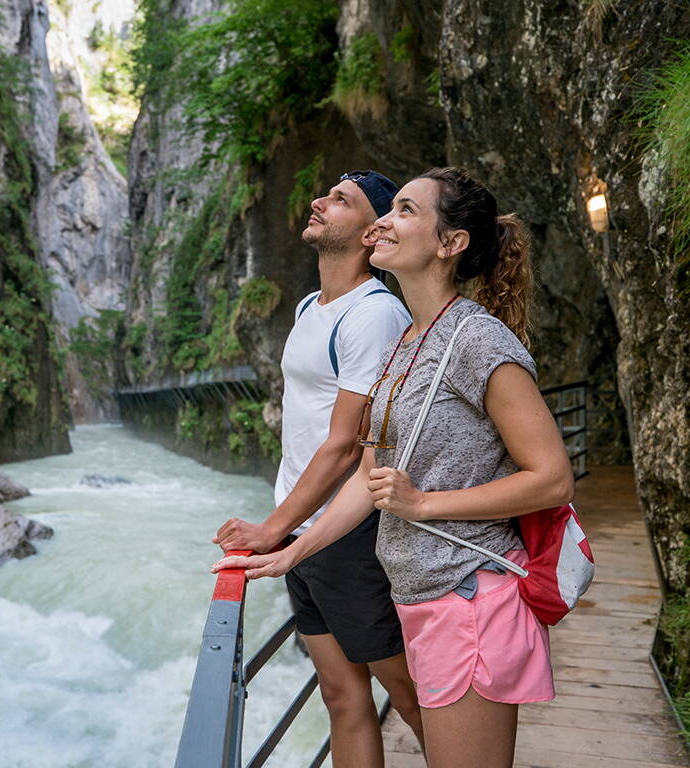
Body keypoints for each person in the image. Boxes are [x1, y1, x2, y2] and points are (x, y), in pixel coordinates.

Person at [214, 167, 575, 768]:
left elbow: (552, 477)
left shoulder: (477, 340)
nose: (384, 221)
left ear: (450, 243)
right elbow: (367, 477)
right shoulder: (408, 343)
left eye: (405, 210)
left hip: (469, 598)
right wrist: (289, 551)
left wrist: (424, 504)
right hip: (421, 599)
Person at [213, 170, 424, 767]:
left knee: (406, 694)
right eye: (326, 194)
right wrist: (285, 526)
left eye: (340, 200)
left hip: (349, 534)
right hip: (304, 528)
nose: (319, 202)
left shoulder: (374, 314)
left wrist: (270, 528)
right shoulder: (312, 305)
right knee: (339, 693)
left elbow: (343, 445)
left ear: (371, 232)